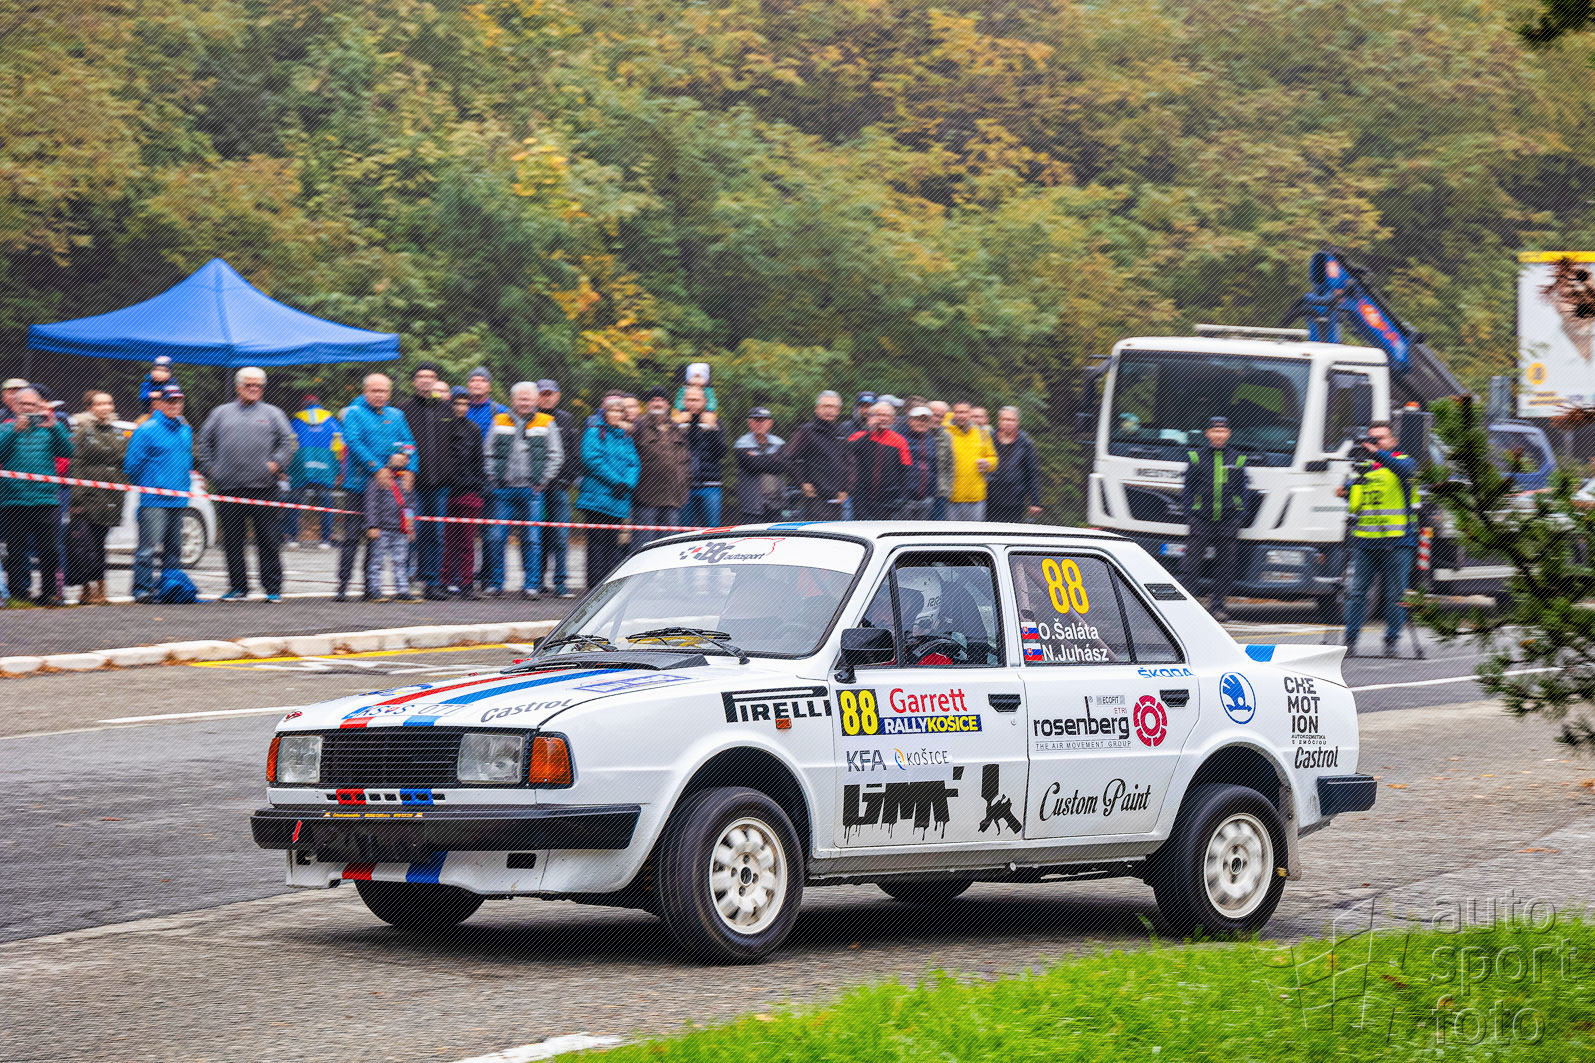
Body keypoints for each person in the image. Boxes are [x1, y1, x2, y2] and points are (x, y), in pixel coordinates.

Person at [198, 367, 296, 603]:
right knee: (232, 541)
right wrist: (211, 470)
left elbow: (289, 441)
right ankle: (238, 587)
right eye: (249, 385)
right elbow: (203, 441)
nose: (254, 389)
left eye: (258, 386)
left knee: (269, 539)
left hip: (264, 488)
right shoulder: (220, 413)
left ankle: (272, 588)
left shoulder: (273, 413)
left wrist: (277, 464)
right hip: (229, 488)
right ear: (238, 387)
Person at [1339, 421, 1420, 656]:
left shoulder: (1404, 461)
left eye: (1380, 438)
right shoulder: (1365, 466)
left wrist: (1378, 453)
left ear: (1393, 441)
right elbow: (1355, 491)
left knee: (1396, 595)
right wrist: (1345, 490)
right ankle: (1350, 640)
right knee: (1356, 593)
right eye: (1371, 438)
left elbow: (1406, 473)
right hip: (1365, 540)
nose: (1375, 442)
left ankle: (1391, 640)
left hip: (1397, 540)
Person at [482, 381, 565, 599]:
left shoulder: (546, 422)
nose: (525, 402)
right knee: (496, 537)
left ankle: (531, 586)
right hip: (503, 490)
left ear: (536, 400)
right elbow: (488, 452)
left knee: (532, 539)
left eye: (528, 398)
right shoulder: (499, 420)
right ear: (513, 400)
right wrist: (493, 477)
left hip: (532, 492)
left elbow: (556, 455)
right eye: (521, 398)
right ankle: (495, 583)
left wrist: (542, 481)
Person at [336, 373, 414, 601]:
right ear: (365, 392)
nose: (380, 395)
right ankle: (342, 586)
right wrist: (377, 468)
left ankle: (371, 588)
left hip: (388, 489)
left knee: (376, 539)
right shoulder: (354, 413)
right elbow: (354, 442)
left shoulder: (397, 415)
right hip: (358, 485)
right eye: (375, 391)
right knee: (352, 537)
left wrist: (409, 465)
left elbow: (409, 444)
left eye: (384, 391)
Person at [0, 387, 73, 605]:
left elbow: (67, 452)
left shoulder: (50, 427)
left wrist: (55, 427)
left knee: (49, 549)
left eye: (32, 405)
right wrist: (15, 431)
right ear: (15, 406)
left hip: (46, 499)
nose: (28, 409)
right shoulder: (6, 427)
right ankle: (18, 593)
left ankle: (48, 593)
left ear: (39, 406)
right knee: (16, 550)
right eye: (23, 404)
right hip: (14, 499)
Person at [123, 384, 193, 604]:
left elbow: (187, 461)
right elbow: (131, 466)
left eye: (178, 401)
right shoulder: (146, 429)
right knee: (147, 549)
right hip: (154, 500)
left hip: (179, 499)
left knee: (174, 549)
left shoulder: (185, 429)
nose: (174, 405)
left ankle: (169, 587)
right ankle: (141, 589)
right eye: (170, 401)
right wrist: (150, 485)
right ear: (160, 403)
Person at [1179, 415, 1250, 621]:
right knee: (1191, 565)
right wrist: (1190, 514)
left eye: (1223, 431)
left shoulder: (1238, 458)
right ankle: (1185, 607)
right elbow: (1188, 488)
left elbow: (1244, 490)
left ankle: (1217, 607)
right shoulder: (1195, 456)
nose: (1219, 435)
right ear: (1208, 433)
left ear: (1228, 434)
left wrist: (1240, 515)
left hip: (1228, 521)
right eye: (1215, 431)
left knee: (1226, 566)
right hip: (1200, 520)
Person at [396, 362, 455, 599]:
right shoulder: (403, 410)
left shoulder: (446, 409)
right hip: (413, 485)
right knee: (412, 532)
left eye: (430, 376)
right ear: (414, 381)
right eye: (421, 376)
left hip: (440, 485)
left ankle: (432, 582)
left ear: (435, 380)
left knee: (437, 534)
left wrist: (450, 472)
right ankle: (408, 581)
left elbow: (454, 444)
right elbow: (399, 444)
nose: (426, 380)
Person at [65, 391, 127, 605]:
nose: (105, 407)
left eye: (108, 403)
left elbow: (123, 463)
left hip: (110, 497)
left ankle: (101, 589)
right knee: (84, 545)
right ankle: (85, 588)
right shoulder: (84, 430)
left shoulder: (117, 432)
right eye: (99, 404)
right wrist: (77, 499)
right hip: (88, 496)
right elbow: (76, 464)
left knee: (100, 544)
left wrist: (121, 486)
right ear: (90, 408)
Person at [576, 396, 639, 586]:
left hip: (618, 499)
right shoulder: (594, 432)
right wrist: (616, 482)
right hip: (596, 499)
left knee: (612, 545)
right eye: (612, 410)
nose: (616, 414)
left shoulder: (626, 436)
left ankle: (608, 587)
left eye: (619, 411)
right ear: (605, 413)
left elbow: (634, 463)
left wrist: (627, 484)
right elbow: (592, 459)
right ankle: (594, 586)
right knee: (596, 544)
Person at [441, 386, 488, 599]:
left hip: (469, 491)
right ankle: (445, 580)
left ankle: (467, 583)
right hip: (446, 491)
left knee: (467, 541)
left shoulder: (473, 429)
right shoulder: (443, 427)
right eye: (457, 404)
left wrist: (478, 486)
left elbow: (479, 460)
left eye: (465, 404)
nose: (461, 408)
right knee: (446, 540)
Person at [630, 386, 689, 550]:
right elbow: (629, 457)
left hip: (673, 496)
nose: (657, 403)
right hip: (645, 496)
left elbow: (686, 460)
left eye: (661, 400)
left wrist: (683, 483)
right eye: (653, 400)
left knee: (668, 547)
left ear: (668, 404)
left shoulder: (677, 428)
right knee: (643, 546)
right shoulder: (638, 426)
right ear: (648, 404)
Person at [535, 379, 578, 598]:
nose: (546, 397)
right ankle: (536, 581)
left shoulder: (566, 419)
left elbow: (572, 453)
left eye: (550, 393)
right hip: (536, 489)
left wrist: (566, 480)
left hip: (559, 488)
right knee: (536, 535)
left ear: (557, 396)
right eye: (542, 393)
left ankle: (560, 582)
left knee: (560, 536)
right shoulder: (529, 417)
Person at [784, 390, 852, 520]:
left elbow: (850, 463)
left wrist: (847, 489)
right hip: (815, 500)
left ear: (838, 410)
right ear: (817, 408)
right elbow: (788, 458)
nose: (830, 410)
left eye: (834, 407)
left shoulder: (841, 434)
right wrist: (801, 482)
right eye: (826, 406)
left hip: (838, 500)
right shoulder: (807, 431)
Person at [285, 394, 341, 549]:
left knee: (295, 502)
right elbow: (339, 446)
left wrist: (289, 468)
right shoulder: (331, 422)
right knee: (325, 503)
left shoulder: (296, 422)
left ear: (303, 405)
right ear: (319, 404)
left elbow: (290, 446)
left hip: (301, 467)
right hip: (325, 467)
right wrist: (337, 469)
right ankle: (326, 539)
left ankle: (292, 537)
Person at [365, 443, 418, 601]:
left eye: (406, 457)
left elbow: (410, 506)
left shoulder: (407, 480)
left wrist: (410, 527)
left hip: (400, 530)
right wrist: (372, 525)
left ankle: (402, 590)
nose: (402, 459)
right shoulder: (379, 478)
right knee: (377, 561)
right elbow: (371, 503)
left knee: (400, 561)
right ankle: (374, 589)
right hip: (382, 529)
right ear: (390, 456)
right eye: (399, 454)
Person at [847, 401, 912, 520]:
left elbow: (905, 472)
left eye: (886, 416)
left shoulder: (899, 440)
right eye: (879, 415)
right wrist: (870, 431)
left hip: (887, 500)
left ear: (892, 420)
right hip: (861, 498)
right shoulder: (858, 436)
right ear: (870, 417)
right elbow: (847, 453)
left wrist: (903, 497)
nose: (883, 418)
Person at [676, 384, 724, 529]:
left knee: (712, 528)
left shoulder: (716, 422)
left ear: (704, 402)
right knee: (685, 530)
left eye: (696, 400)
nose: (693, 403)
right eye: (689, 400)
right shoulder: (676, 423)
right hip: (684, 485)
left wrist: (713, 429)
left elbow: (721, 453)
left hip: (710, 485)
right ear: (684, 401)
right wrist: (676, 425)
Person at [987, 406, 1042, 523]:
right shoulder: (988, 439)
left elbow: (1031, 473)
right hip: (990, 498)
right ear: (999, 421)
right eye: (1005, 419)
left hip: (1014, 500)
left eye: (1012, 420)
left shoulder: (1026, 443)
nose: (1008, 423)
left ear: (1017, 422)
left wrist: (1035, 502)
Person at [944, 400, 997, 520]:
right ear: (953, 413)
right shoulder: (946, 433)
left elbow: (993, 458)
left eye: (965, 412)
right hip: (951, 498)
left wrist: (988, 463)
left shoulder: (983, 434)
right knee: (951, 531)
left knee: (975, 531)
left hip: (977, 497)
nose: (961, 415)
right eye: (958, 412)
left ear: (970, 414)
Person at [733, 406, 786, 522]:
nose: (760, 423)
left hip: (776, 504)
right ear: (749, 422)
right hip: (752, 505)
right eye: (756, 420)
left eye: (763, 420)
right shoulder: (741, 443)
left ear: (770, 423)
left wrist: (758, 458)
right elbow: (751, 466)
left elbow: (781, 467)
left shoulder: (779, 443)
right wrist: (772, 460)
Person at [901, 405, 943, 520]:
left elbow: (934, 467)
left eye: (925, 420)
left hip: (926, 498)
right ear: (910, 420)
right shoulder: (900, 438)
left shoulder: (931, 440)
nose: (921, 423)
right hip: (905, 499)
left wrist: (932, 494)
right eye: (918, 419)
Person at [462, 367, 505, 437]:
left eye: (483, 380)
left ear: (490, 388)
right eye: (473, 380)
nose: (477, 383)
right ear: (467, 386)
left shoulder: (501, 410)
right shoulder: (457, 408)